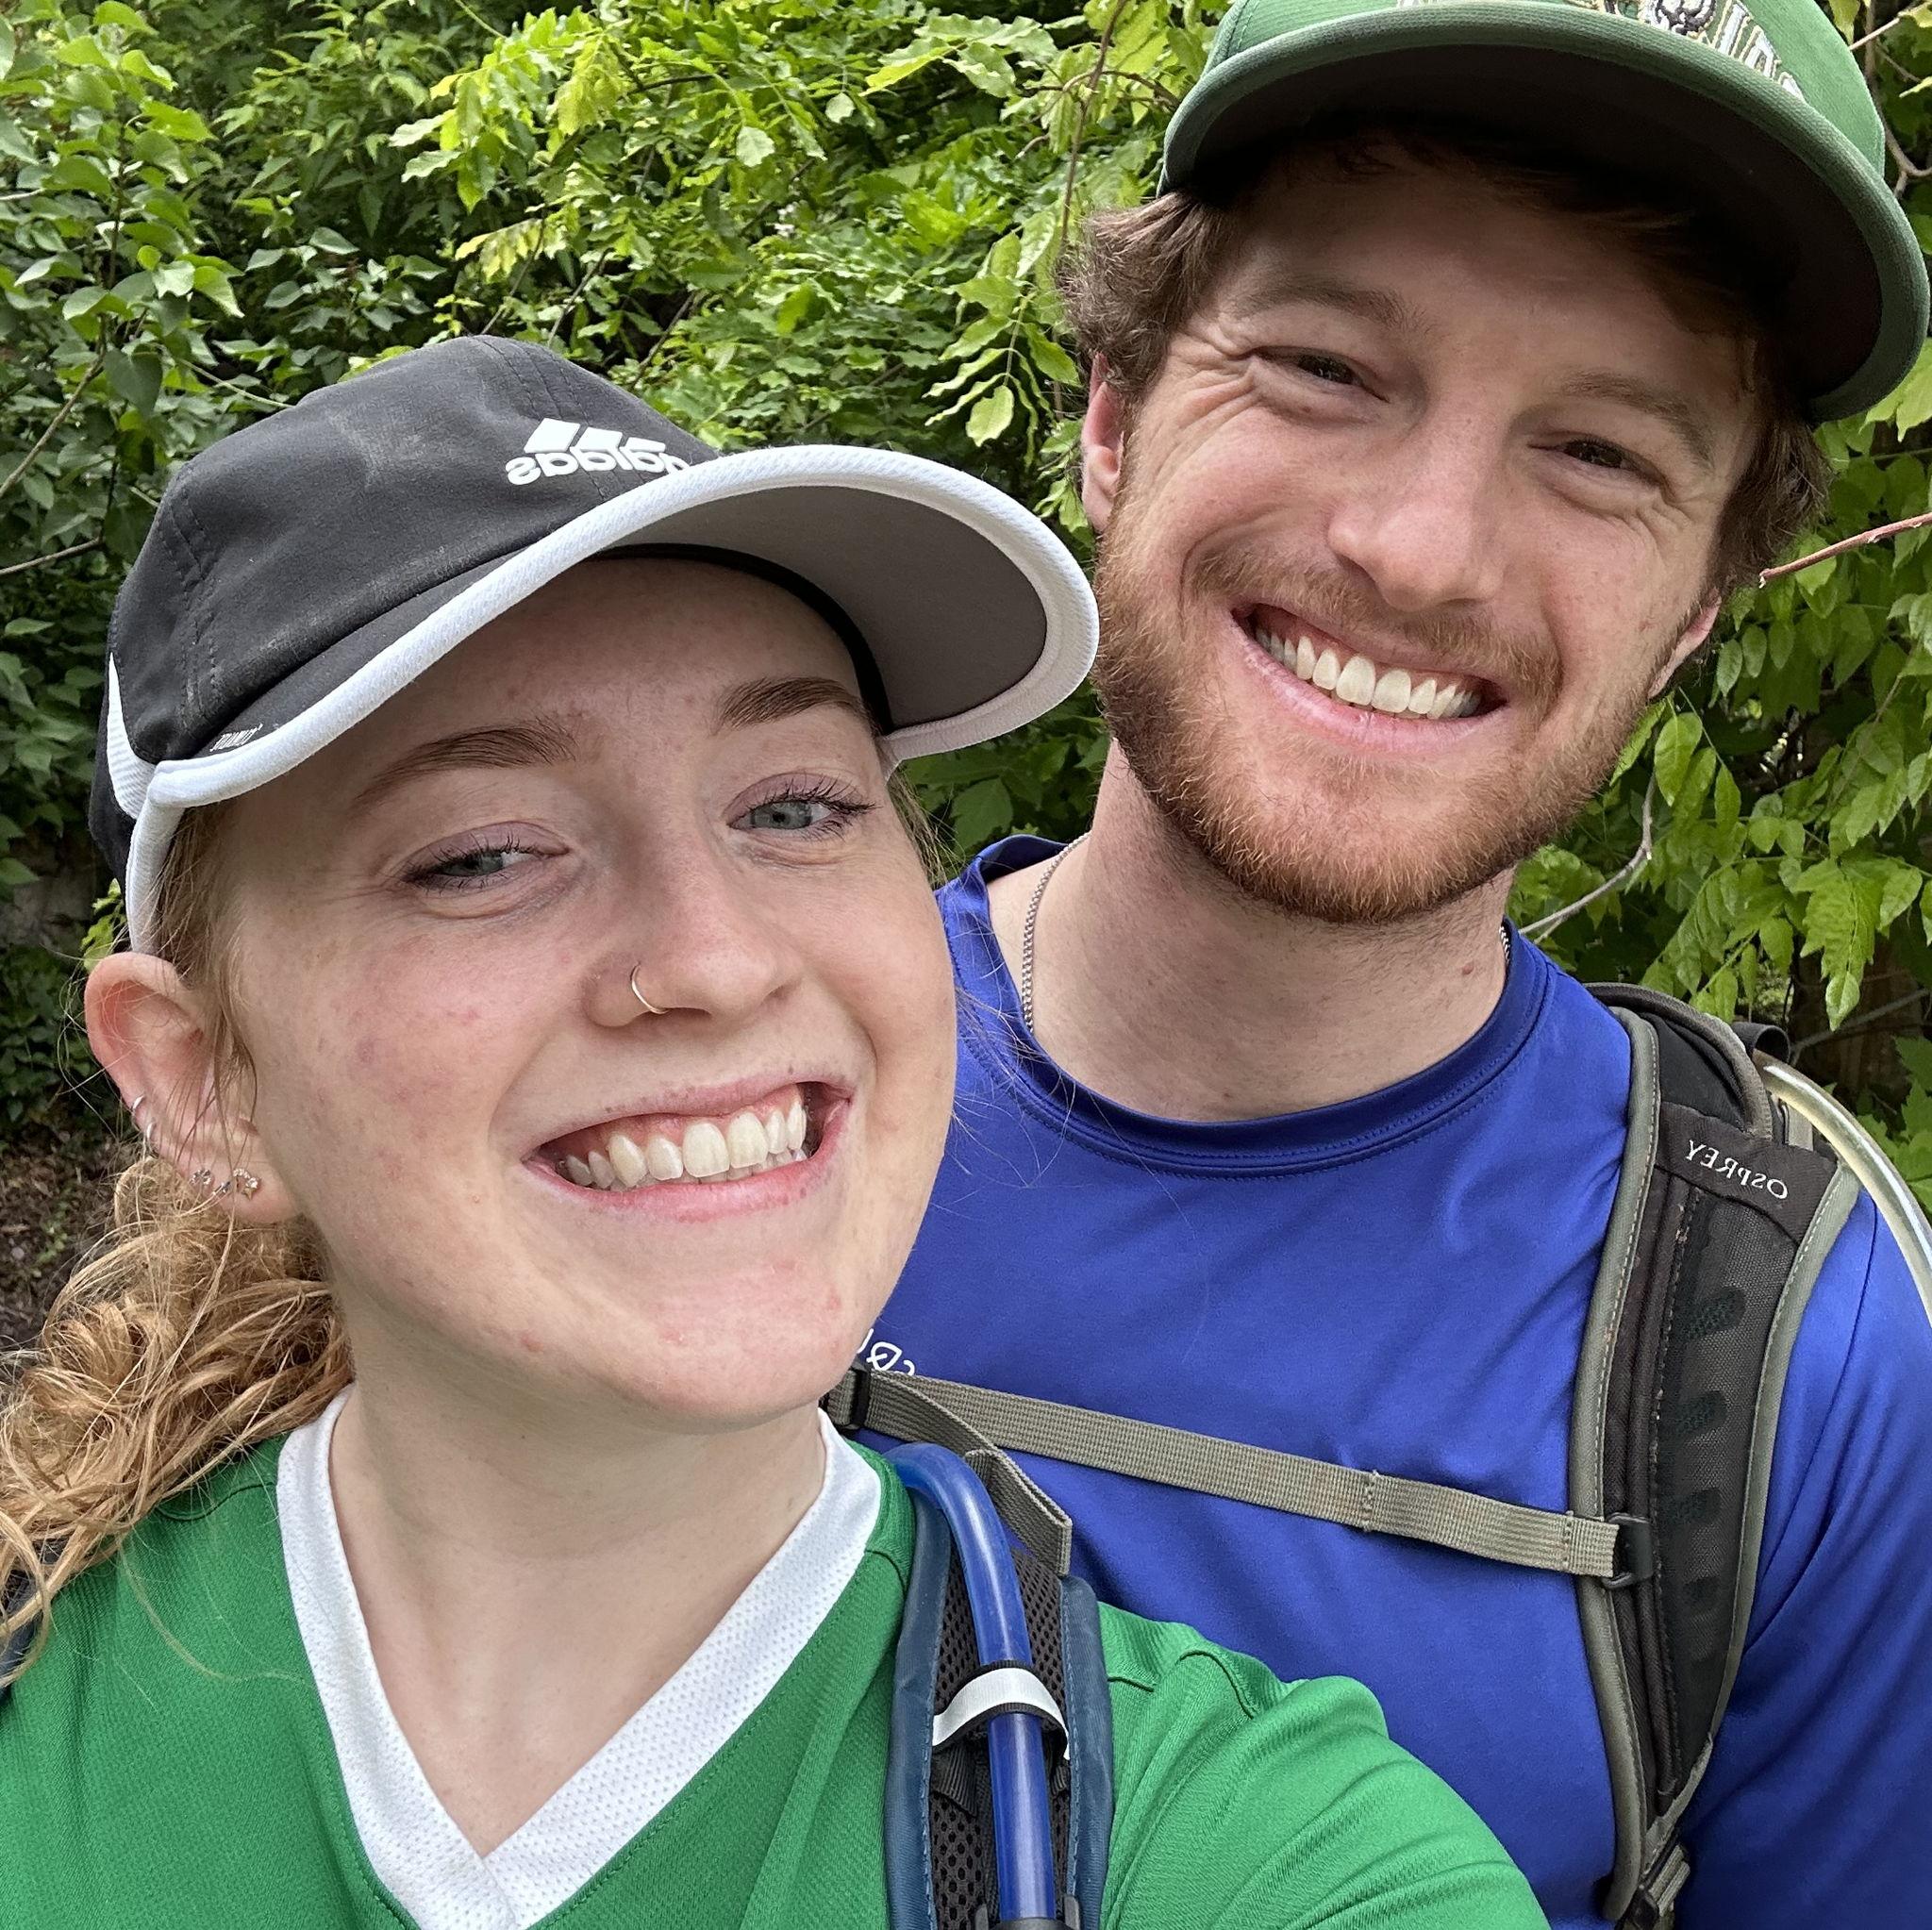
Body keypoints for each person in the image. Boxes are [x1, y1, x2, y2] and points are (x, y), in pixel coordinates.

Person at [0, 335, 1545, 1930]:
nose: (719, 957)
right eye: (482, 854)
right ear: (202, 1077)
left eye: (794, 806)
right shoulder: (35, 1688)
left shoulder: (1259, 1855)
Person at [871, 2, 1932, 1926]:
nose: (1424, 549)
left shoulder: (1794, 1351)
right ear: (1112, 421)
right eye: (1325, 367)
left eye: (1598, 452)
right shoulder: (709, 1093)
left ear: (1696, 613)